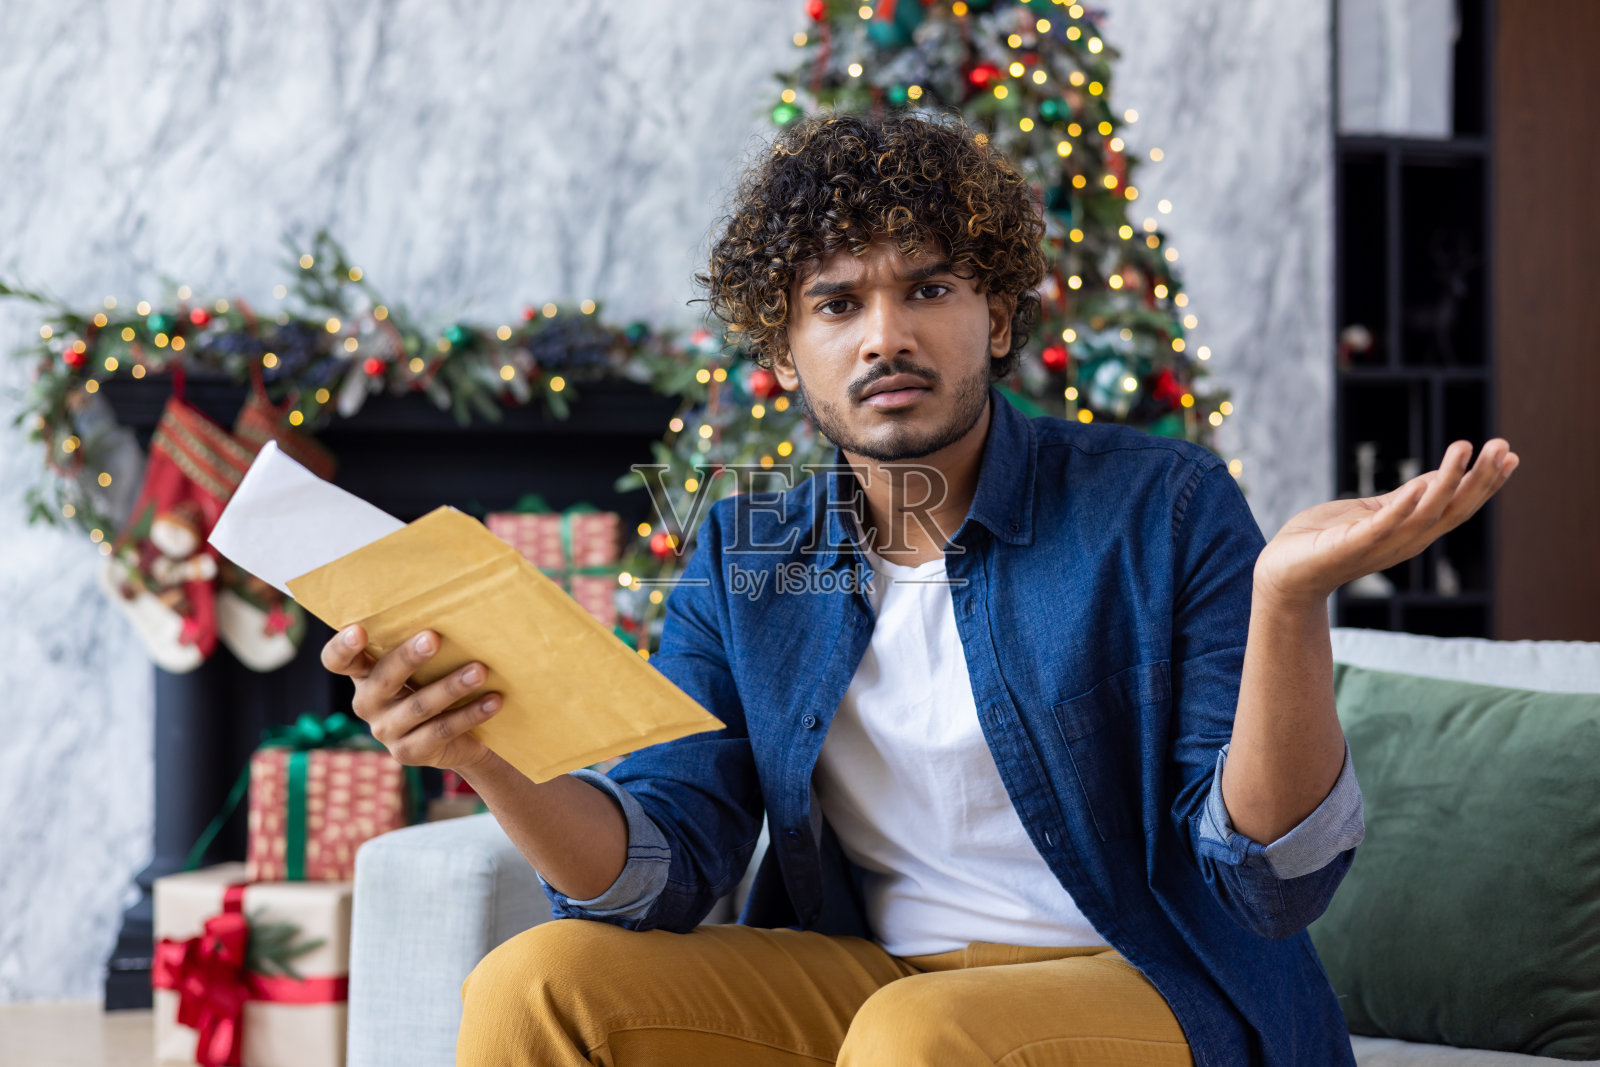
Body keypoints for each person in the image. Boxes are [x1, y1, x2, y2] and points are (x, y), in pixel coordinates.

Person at [322, 113, 1519, 1066]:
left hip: (1156, 986)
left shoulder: (1160, 502)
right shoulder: (751, 547)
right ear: (786, 355)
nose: (884, 333)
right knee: (536, 983)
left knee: (914, 1040)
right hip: (876, 978)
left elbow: (1268, 882)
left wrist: (1285, 604)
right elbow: (658, 872)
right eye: (837, 304)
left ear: (997, 314)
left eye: (929, 288)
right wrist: (485, 752)